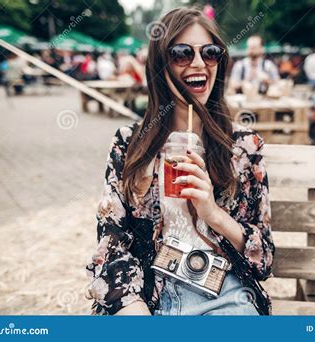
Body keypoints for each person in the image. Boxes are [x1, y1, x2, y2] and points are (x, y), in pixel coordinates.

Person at [85, 7, 274, 316]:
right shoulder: (129, 143)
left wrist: (212, 213)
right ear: (160, 64)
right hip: (147, 292)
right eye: (182, 53)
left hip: (224, 292)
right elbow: (112, 245)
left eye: (210, 52)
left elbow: (263, 257)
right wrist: (133, 308)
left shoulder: (244, 146)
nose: (199, 63)